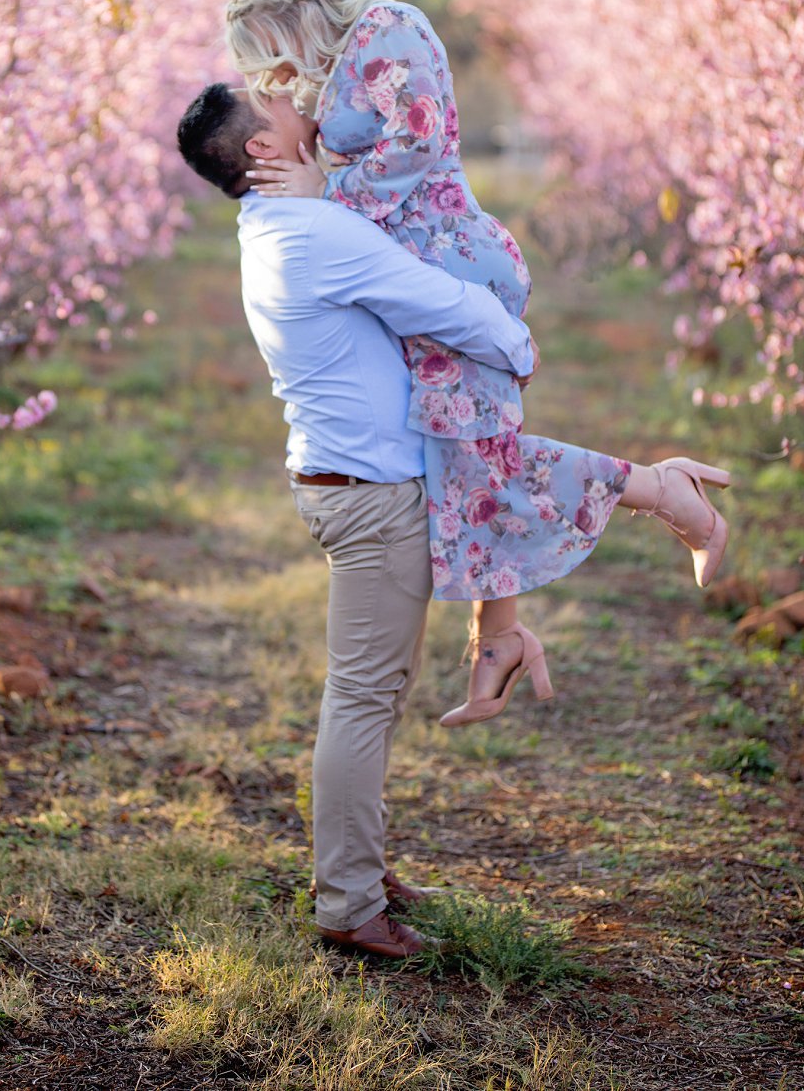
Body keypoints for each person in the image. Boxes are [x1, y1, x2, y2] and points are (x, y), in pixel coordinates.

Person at [224, 0, 730, 725]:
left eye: (268, 46)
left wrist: (324, 194)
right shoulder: (331, 73)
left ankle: (665, 494)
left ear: (291, 11)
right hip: (412, 275)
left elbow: (416, 148)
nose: (274, 72)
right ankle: (499, 638)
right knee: (467, 457)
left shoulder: (392, 29)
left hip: (458, 263)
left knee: (476, 454)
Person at [176, 81, 541, 958]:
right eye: (276, 101)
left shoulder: (280, 225)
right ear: (264, 150)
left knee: (376, 692)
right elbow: (438, 301)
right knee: (364, 699)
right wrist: (518, 347)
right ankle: (346, 904)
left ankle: (360, 867)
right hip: (372, 499)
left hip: (348, 484)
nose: (301, 101)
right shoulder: (311, 231)